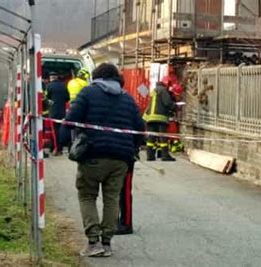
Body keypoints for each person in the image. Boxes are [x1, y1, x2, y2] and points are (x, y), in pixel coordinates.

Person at [65, 63, 145, 257]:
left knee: (87, 196)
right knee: (112, 199)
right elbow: (140, 130)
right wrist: (132, 148)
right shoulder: (128, 99)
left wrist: (65, 143)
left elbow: (70, 120)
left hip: (93, 154)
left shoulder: (87, 93)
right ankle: (107, 243)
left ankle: (93, 242)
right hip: (121, 159)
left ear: (96, 77)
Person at [143, 77, 177, 161]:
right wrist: (174, 106)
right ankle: (164, 155)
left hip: (150, 118)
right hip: (160, 118)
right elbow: (167, 103)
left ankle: (150, 156)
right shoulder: (163, 90)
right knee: (163, 137)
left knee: (151, 138)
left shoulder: (153, 90)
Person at [46, 72, 70, 155]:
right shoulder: (63, 85)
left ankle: (56, 148)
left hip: (53, 111)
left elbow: (47, 98)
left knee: (54, 131)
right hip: (62, 111)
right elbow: (67, 98)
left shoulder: (49, 86)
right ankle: (60, 147)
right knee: (62, 130)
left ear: (50, 78)